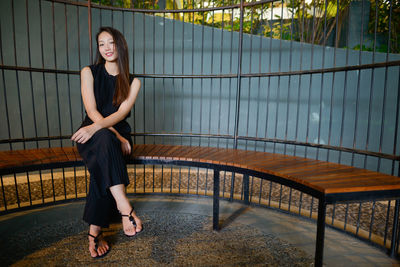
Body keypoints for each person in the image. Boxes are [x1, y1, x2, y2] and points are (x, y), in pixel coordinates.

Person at [71, 26, 142, 258]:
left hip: (113, 135)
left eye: (111, 42)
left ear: (120, 45)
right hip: (91, 133)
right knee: (104, 140)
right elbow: (91, 110)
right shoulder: (88, 71)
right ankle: (124, 208)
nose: (106, 48)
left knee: (103, 159)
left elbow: (121, 114)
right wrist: (112, 134)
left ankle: (95, 233)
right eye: (101, 44)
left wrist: (118, 135)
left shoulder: (134, 82)